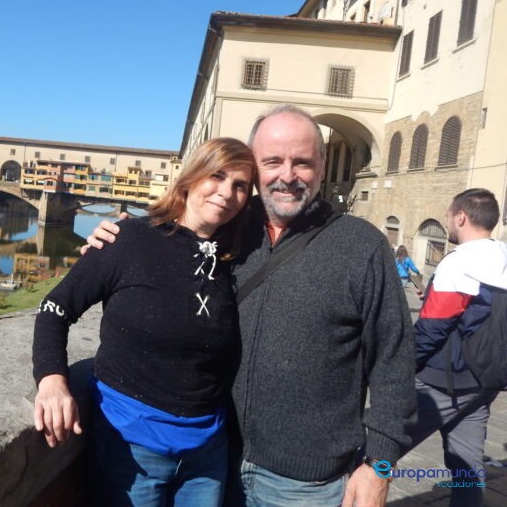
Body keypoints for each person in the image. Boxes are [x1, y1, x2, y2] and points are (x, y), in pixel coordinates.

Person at [87, 104, 416, 507]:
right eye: (273, 161)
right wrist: (112, 238)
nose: (288, 175)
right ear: (253, 166)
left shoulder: (362, 246)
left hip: (305, 483)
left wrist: (380, 465)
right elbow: (161, 239)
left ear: (323, 166)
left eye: (303, 162)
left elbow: (395, 360)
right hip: (213, 459)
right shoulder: (225, 227)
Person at [32, 137, 255, 506]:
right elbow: (56, 308)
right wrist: (52, 379)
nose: (226, 192)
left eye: (240, 186)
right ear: (190, 177)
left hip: (207, 453)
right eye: (216, 176)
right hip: (130, 448)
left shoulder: (235, 257)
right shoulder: (129, 238)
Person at [405, 188, 507, 507]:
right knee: (468, 471)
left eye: (449, 216)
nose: (448, 222)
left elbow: (431, 332)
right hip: (484, 382)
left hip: (440, 382)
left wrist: (396, 365)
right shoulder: (503, 255)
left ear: (461, 216)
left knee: (374, 450)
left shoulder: (458, 261)